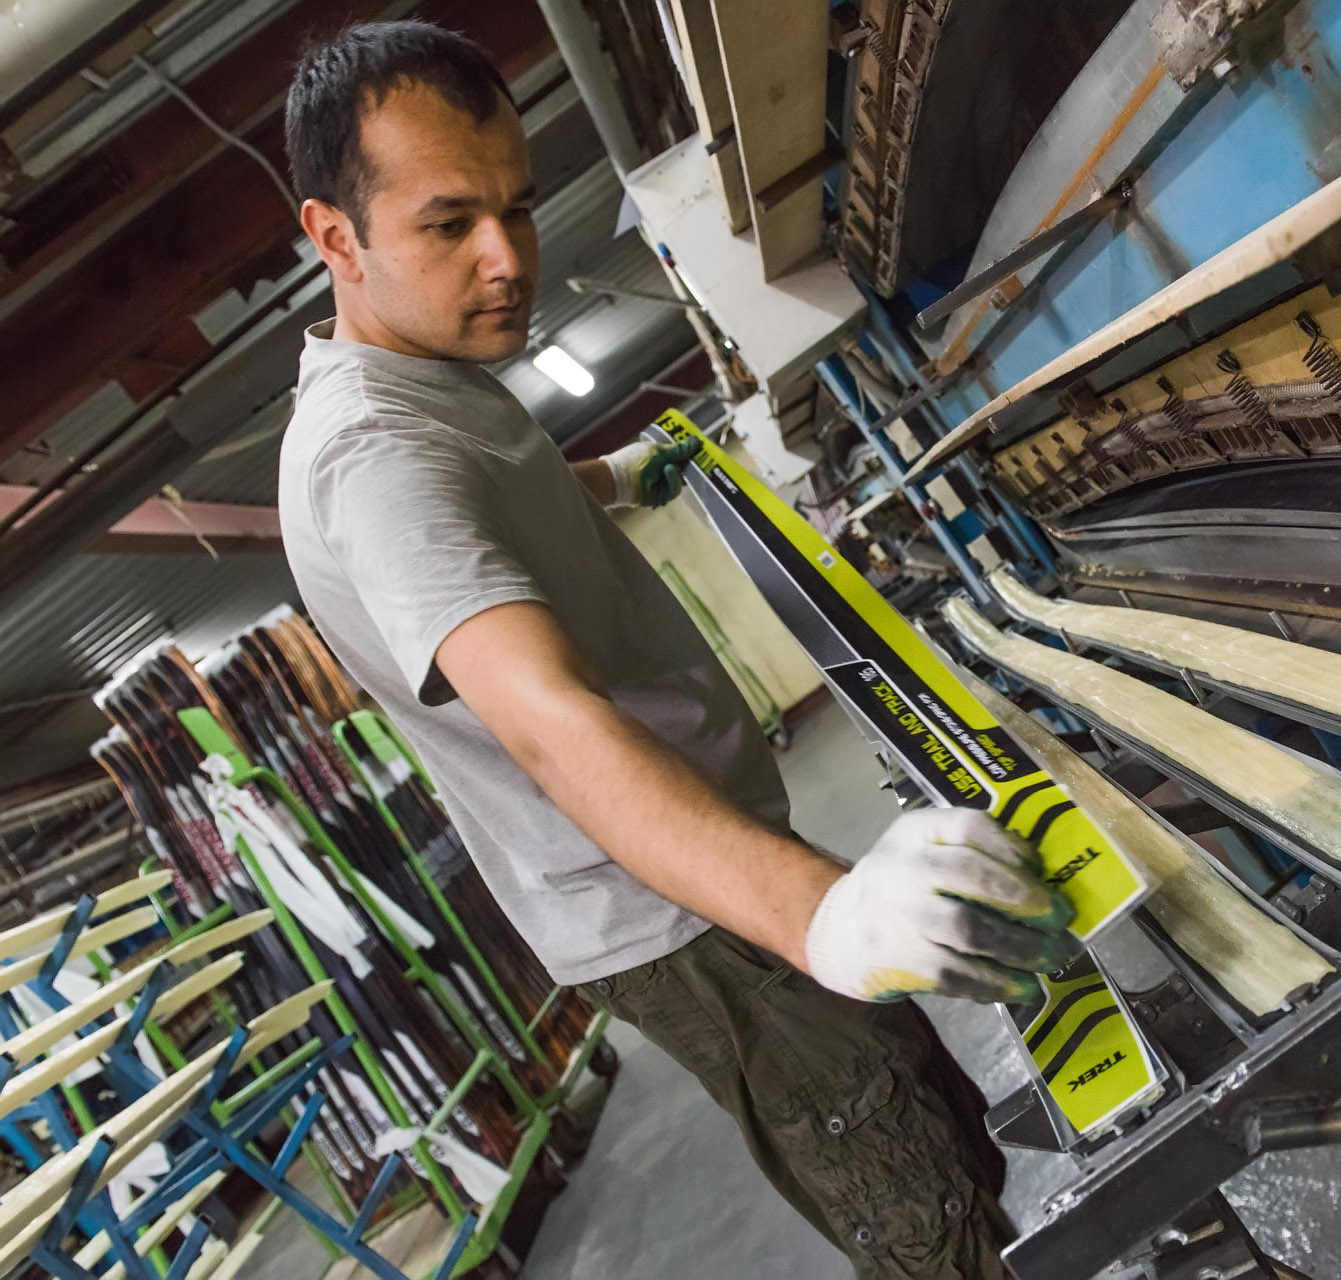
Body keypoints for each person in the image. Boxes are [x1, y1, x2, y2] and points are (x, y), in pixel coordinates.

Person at [276, 20, 1073, 1278]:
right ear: (336, 237)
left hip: (694, 847)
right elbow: (549, 723)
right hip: (669, 906)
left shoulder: (428, 378)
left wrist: (624, 471)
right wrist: (826, 912)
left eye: (519, 208)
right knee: (916, 1205)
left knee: (921, 1118)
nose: (505, 258)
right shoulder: (374, 458)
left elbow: (507, 499)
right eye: (448, 224)